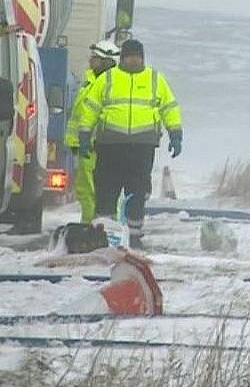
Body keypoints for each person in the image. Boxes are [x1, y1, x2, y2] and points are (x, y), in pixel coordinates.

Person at [78, 39, 183, 248]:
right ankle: (104, 235)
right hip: (110, 146)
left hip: (142, 148)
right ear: (122, 58)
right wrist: (84, 135)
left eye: (138, 56)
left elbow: (169, 107)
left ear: (143, 58)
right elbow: (91, 108)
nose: (134, 60)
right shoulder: (108, 79)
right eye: (130, 56)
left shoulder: (155, 79)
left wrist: (175, 133)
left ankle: (135, 236)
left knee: (137, 192)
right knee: (106, 190)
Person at [65, 40, 120, 223]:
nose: (91, 62)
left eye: (95, 59)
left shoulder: (107, 85)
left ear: (106, 62)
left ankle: (97, 227)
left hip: (97, 147)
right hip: (86, 146)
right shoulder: (91, 82)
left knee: (96, 191)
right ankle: (91, 224)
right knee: (85, 191)